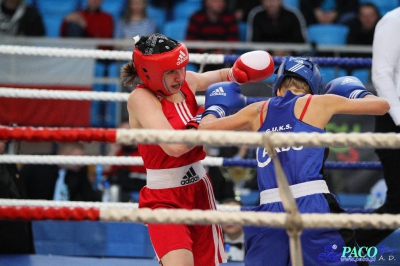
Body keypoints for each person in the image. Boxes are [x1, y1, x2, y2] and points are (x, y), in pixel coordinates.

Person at [198, 56, 389, 265]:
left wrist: (215, 108)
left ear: (278, 84)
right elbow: (381, 105)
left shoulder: (257, 110)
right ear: (313, 85)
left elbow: (205, 131)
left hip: (268, 210)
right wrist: (356, 92)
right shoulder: (319, 102)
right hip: (312, 204)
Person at [120, 32, 274, 266]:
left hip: (200, 189)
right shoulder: (141, 99)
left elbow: (225, 76)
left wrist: (240, 73)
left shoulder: (187, 81)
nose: (179, 76)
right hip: (164, 198)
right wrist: (209, 113)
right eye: (170, 71)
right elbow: (175, 146)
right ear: (148, 72)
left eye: (181, 68)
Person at [354, 7, 400, 248]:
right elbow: (381, 75)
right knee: (397, 203)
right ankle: (344, 255)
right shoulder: (393, 21)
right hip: (394, 122)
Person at [20, 142, 102, 202]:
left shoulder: (79, 172)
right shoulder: (37, 164)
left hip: (66, 220)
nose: (81, 163)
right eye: (78, 158)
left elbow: (89, 198)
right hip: (36, 215)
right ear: (64, 155)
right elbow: (21, 189)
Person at [0, 140, 35, 254]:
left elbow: (21, 198)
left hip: (19, 243)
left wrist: (30, 248)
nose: (3, 142)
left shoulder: (10, 164)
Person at [186, 0, 239, 72]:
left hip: (223, 60)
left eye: (222, 1)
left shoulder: (230, 18)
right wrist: (208, 53)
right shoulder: (196, 17)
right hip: (200, 60)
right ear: (206, 2)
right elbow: (190, 43)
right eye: (215, 1)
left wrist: (219, 52)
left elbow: (233, 43)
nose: (219, 3)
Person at [103, 121, 147, 202]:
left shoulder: (146, 149)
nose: (126, 136)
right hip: (121, 194)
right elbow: (106, 171)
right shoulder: (119, 151)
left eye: (129, 131)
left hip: (143, 191)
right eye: (123, 133)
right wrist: (113, 151)